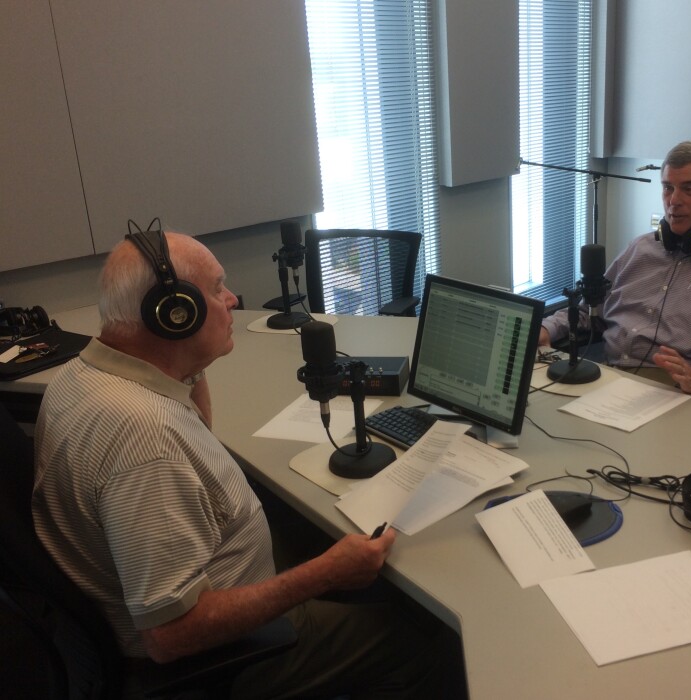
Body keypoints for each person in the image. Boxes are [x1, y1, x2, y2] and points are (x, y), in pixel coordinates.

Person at [32, 229, 460, 699]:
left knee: (323, 531)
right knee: (425, 640)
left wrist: (186, 359)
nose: (234, 299)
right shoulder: (145, 440)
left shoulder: (84, 372)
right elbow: (170, 635)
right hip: (224, 655)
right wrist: (325, 574)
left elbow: (195, 442)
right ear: (176, 315)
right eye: (217, 289)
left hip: (201, 571)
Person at [540, 140, 691, 412]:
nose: (674, 200)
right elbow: (589, 310)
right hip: (607, 383)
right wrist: (547, 327)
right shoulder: (640, 249)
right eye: (668, 188)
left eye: (688, 189)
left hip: (682, 398)